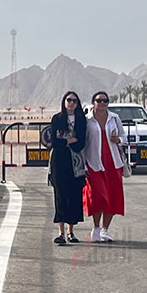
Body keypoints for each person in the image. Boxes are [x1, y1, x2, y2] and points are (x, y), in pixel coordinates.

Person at [83, 91, 126, 243]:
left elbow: (124, 137)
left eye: (105, 101)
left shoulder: (115, 118)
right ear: (93, 102)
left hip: (113, 163)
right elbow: (83, 143)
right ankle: (95, 228)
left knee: (113, 196)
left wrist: (118, 139)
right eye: (99, 100)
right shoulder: (87, 120)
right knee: (98, 196)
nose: (102, 103)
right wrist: (83, 164)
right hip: (94, 163)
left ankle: (105, 230)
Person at [49, 91, 87, 244]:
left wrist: (65, 140)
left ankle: (71, 231)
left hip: (76, 162)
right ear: (64, 102)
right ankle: (61, 232)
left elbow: (81, 142)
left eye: (74, 101)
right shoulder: (57, 119)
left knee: (74, 195)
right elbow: (54, 142)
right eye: (69, 100)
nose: (71, 103)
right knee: (60, 195)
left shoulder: (81, 120)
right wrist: (70, 140)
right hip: (59, 161)